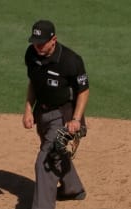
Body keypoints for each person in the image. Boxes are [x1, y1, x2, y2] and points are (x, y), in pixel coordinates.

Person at [22, 20, 90, 209]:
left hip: (65, 115)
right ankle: (73, 188)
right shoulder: (31, 54)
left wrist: (76, 119)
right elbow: (33, 83)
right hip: (42, 113)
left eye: (42, 42)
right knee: (56, 152)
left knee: (45, 159)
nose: (38, 46)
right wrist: (28, 109)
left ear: (54, 40)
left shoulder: (71, 60)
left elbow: (84, 91)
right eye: (35, 42)